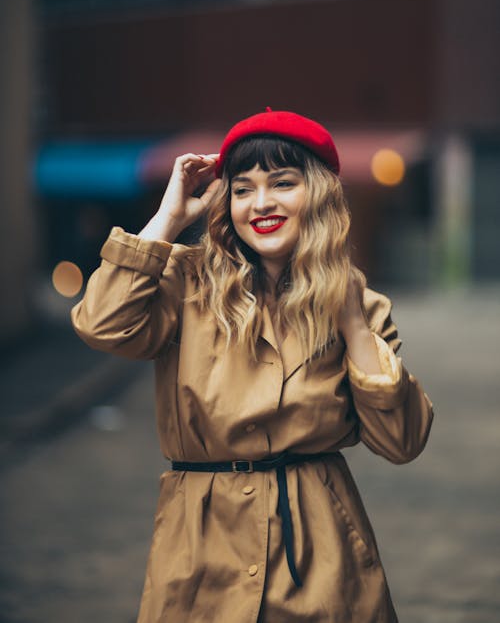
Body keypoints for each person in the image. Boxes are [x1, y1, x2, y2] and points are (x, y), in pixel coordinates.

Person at [71, 108, 434, 623]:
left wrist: (352, 322)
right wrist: (168, 218)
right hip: (200, 548)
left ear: (319, 195)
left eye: (282, 183)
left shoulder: (361, 305)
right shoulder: (186, 283)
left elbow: (402, 441)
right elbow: (101, 325)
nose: (260, 203)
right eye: (241, 189)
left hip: (321, 550)